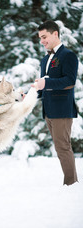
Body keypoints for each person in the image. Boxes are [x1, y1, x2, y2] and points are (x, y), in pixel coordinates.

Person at [32, 20, 78, 186]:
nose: (42, 41)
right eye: (40, 38)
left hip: (62, 110)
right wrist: (28, 95)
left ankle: (71, 184)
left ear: (55, 34)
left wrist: (47, 83)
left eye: (44, 37)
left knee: (63, 148)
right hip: (49, 111)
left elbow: (70, 81)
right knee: (60, 148)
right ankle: (71, 183)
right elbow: (42, 85)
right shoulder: (45, 60)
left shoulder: (68, 55)